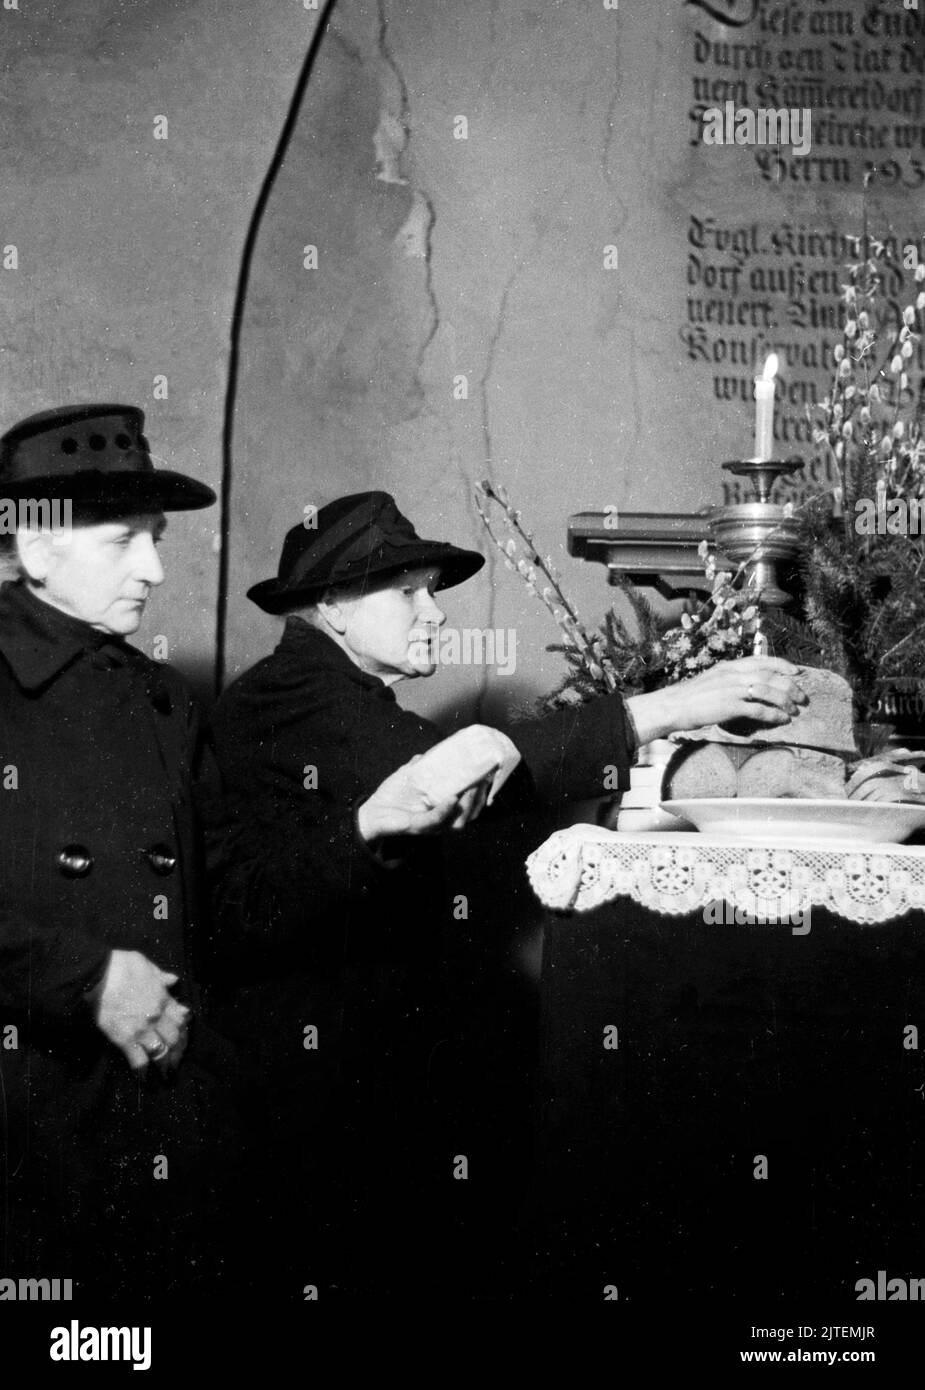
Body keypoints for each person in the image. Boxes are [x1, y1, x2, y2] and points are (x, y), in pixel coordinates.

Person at [203, 490, 807, 1297]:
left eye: (434, 593)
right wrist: (677, 706)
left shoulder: (333, 694)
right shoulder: (292, 695)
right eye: (407, 592)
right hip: (316, 1099)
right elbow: (454, 771)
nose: (435, 616)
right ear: (330, 608)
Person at [0, 403, 235, 1300]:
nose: (157, 569)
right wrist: (87, 978)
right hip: (27, 1126)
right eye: (123, 541)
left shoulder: (163, 699)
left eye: (158, 537)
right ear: (38, 545)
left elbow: (224, 897)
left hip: (156, 1125)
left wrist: (369, 831)